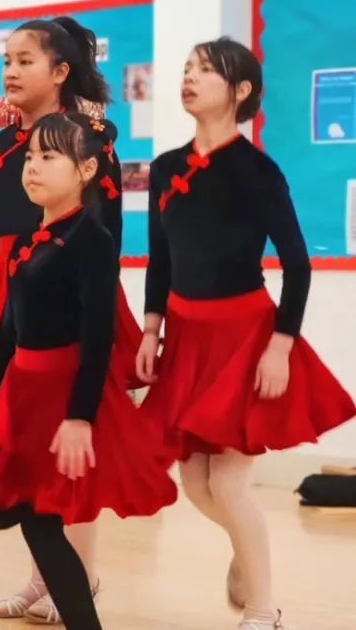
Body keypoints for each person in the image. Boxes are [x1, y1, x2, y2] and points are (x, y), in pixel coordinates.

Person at [136, 37, 356, 630]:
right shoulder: (165, 168)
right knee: (195, 483)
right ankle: (246, 550)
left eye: (205, 71)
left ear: (240, 91)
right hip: (186, 337)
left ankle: (263, 609)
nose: (189, 77)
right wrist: (151, 330)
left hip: (242, 336)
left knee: (229, 483)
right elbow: (161, 258)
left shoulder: (258, 171)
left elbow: (298, 265)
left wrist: (280, 346)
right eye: (187, 68)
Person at [0, 113, 177, 630]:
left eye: (49, 157)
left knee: (39, 520)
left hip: (61, 391)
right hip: (22, 390)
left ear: (86, 169)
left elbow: (97, 338)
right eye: (29, 157)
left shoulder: (91, 240)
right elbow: (9, 334)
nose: (33, 167)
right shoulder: (29, 239)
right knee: (1, 504)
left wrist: (79, 417)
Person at [0, 17, 133, 623]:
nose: (10, 71)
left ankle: (80, 578)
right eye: (7, 60)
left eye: (24, 60)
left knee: (70, 452)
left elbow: (106, 231)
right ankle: (42, 577)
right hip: (10, 296)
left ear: (60, 72)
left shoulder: (90, 139)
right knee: (25, 447)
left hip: (68, 294)